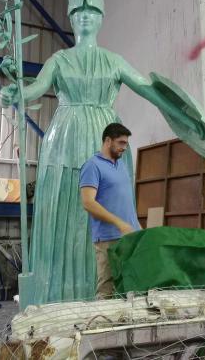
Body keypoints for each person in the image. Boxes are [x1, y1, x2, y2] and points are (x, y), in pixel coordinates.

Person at [0, 0, 205, 305]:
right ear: (71, 17)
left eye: (92, 10)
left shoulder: (113, 61)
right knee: (67, 209)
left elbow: (148, 89)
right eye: (78, 11)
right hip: (66, 138)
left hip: (105, 137)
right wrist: (16, 93)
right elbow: (36, 88)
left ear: (101, 17)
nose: (85, 16)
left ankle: (105, 291)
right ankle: (60, 294)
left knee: (108, 207)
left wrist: (186, 116)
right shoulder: (59, 60)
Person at [79, 123, 141, 298]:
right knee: (106, 288)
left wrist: (137, 226)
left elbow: (125, 201)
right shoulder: (92, 166)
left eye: (126, 143)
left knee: (130, 286)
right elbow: (88, 203)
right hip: (108, 239)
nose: (124, 147)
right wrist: (119, 223)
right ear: (108, 141)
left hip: (129, 235)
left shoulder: (121, 165)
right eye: (121, 143)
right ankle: (102, 317)